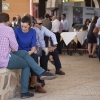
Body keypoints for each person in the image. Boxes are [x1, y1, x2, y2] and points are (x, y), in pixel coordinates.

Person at [0, 12, 57, 99]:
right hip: (4, 58)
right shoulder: (9, 30)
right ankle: (24, 91)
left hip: (16, 53)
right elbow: (14, 47)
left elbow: (32, 46)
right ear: (7, 21)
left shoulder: (32, 31)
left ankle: (40, 73)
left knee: (26, 54)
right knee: (26, 65)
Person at [14, 15, 47, 93]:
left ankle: (34, 80)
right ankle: (36, 83)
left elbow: (33, 45)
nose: (23, 28)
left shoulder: (33, 31)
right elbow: (14, 45)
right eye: (22, 26)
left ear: (30, 26)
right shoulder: (16, 30)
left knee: (34, 56)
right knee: (31, 60)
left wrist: (31, 51)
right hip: (19, 52)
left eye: (25, 27)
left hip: (29, 52)